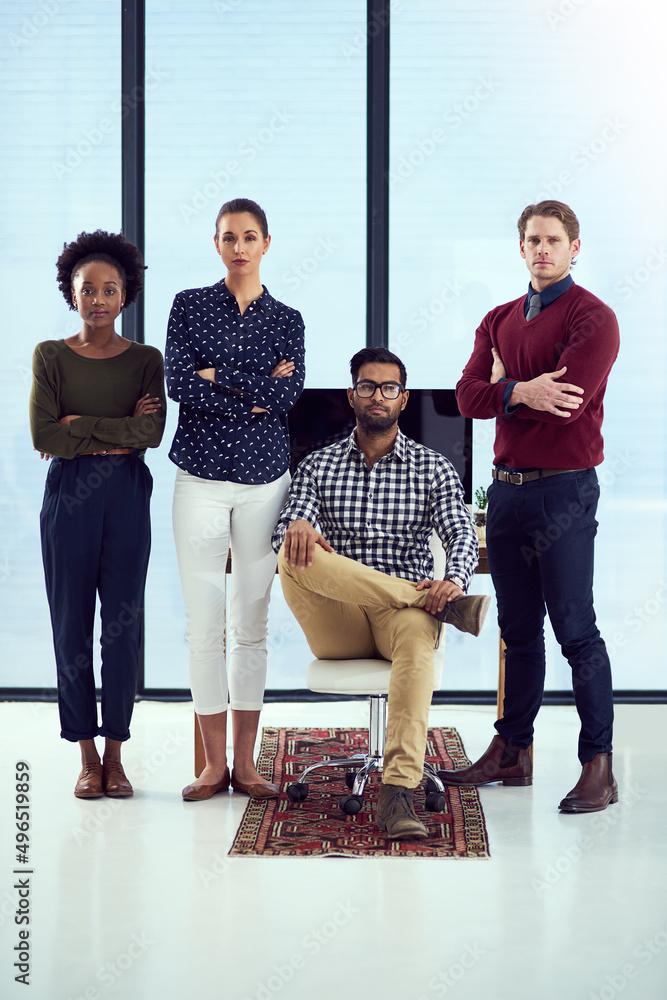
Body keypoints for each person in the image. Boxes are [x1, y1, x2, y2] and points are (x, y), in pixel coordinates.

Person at [440, 200, 620, 813]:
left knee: (575, 629)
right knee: (518, 632)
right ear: (520, 249)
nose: (542, 249)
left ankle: (598, 764)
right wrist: (521, 388)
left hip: (564, 490)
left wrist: (505, 388)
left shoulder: (594, 317)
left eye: (553, 240)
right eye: (532, 240)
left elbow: (567, 399)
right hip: (507, 492)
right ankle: (512, 751)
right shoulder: (497, 318)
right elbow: (465, 397)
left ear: (575, 247)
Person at [272, 347, 489, 840]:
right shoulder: (317, 465)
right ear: (351, 395)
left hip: (401, 621)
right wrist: (299, 525)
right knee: (292, 548)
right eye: (367, 386)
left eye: (388, 388)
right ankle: (433, 603)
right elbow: (285, 534)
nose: (377, 396)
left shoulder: (432, 468)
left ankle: (397, 791)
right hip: (340, 619)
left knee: (417, 636)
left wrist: (453, 580)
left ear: (403, 399)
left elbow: (459, 533)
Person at [166, 197, 305, 802]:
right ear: (216, 243)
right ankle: (210, 768)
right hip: (198, 477)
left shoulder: (289, 318)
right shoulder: (188, 306)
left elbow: (287, 398)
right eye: (229, 237)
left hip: (264, 482)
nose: (240, 246)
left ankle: (246, 768)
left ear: (267, 243)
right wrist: (251, 389)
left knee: (252, 624)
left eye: (250, 237)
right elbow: (176, 384)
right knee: (204, 626)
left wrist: (215, 377)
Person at [30, 230, 165, 799]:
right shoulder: (51, 355)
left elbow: (151, 433)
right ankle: (85, 756)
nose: (99, 299)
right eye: (88, 289)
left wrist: (78, 427)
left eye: (110, 289)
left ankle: (116, 753)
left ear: (126, 294)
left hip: (128, 496)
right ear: (72, 292)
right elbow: (41, 434)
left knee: (122, 626)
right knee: (71, 626)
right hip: (69, 498)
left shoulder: (145, 361)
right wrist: (113, 435)